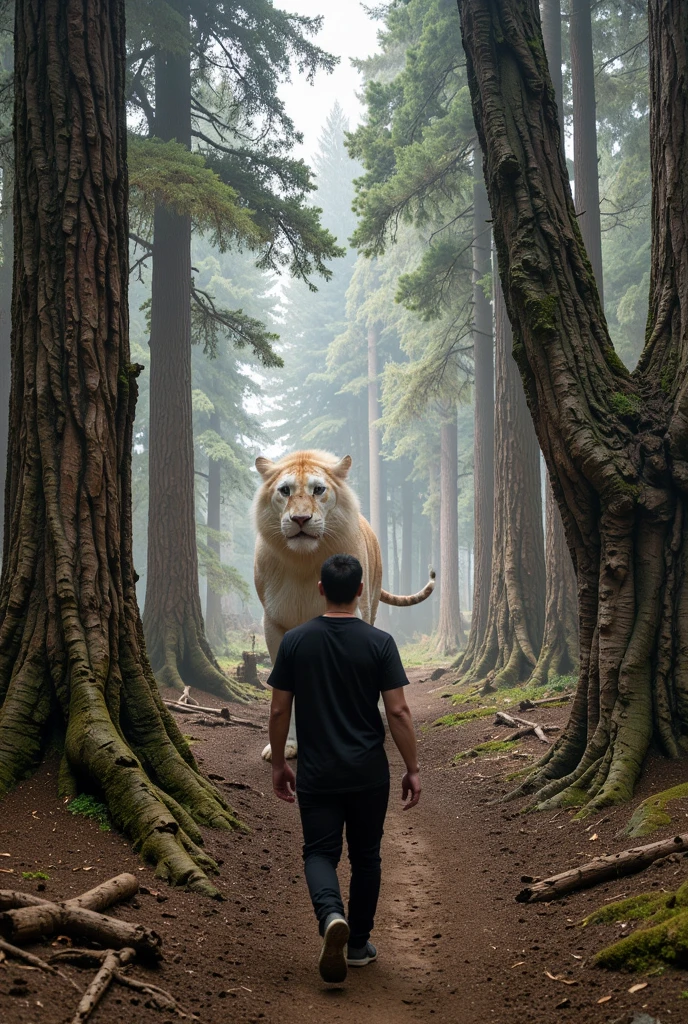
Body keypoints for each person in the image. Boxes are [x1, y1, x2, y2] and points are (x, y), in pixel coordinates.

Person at [267, 553, 421, 984]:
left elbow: (280, 710)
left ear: (320, 590)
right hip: (369, 773)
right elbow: (399, 711)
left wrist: (280, 763)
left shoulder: (295, 641)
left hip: (318, 772)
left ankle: (332, 915)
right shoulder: (379, 643)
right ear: (359, 591)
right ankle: (357, 946)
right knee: (367, 855)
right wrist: (412, 767)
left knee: (319, 853)